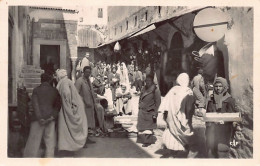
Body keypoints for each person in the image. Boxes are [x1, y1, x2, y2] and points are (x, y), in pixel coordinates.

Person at [23, 73, 61, 157]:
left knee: (34, 143)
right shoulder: (54, 91)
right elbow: (58, 106)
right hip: (50, 119)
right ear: (50, 80)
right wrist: (51, 117)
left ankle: (30, 162)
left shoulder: (36, 90)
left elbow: (35, 105)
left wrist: (40, 118)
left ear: (41, 80)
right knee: (50, 143)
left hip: (37, 120)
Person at [159, 73, 196, 157]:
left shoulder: (173, 90)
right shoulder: (188, 91)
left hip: (171, 117)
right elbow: (190, 107)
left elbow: (165, 104)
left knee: (172, 132)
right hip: (182, 116)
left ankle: (173, 151)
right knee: (183, 132)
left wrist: (165, 116)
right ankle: (182, 150)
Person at [205, 77, 240, 158]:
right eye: (216, 86)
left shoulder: (230, 100)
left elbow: (231, 115)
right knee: (211, 149)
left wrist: (223, 121)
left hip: (224, 129)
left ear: (224, 87)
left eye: (220, 86)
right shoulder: (211, 99)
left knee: (222, 149)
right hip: (212, 129)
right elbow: (208, 113)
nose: (218, 88)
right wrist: (211, 121)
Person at [55, 69, 88, 151]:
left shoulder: (64, 82)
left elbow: (66, 93)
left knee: (65, 126)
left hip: (68, 106)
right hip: (70, 105)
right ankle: (65, 146)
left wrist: (67, 104)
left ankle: (67, 146)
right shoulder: (66, 81)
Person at [75, 66, 105, 141]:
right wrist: (83, 101)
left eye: (89, 72)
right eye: (86, 72)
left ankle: (87, 139)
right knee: (83, 123)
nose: (88, 73)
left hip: (90, 105)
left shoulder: (88, 80)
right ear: (83, 72)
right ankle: (83, 140)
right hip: (83, 105)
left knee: (88, 123)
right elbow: (76, 93)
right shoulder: (80, 81)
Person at [137, 74, 161, 147]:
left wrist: (155, 113)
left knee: (149, 127)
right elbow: (140, 97)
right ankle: (145, 140)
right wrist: (140, 105)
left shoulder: (155, 90)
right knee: (142, 127)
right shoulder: (143, 88)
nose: (147, 82)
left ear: (152, 81)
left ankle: (147, 141)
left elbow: (158, 102)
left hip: (150, 110)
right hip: (142, 110)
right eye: (146, 81)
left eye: (149, 81)